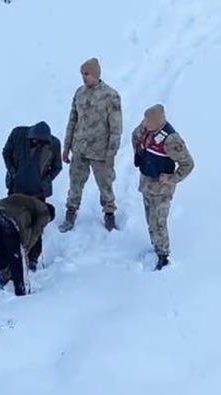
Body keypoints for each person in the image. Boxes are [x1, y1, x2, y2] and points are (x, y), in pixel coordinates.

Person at [60, 57, 123, 232]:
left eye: (87, 74)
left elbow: (116, 128)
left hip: (100, 151)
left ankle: (109, 214)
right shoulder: (79, 93)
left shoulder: (110, 95)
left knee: (105, 184)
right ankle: (70, 213)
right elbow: (72, 121)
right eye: (82, 74)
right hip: (79, 149)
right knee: (75, 183)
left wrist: (111, 153)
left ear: (96, 74)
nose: (83, 77)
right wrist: (66, 147)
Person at [131, 104, 195, 270]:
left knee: (158, 222)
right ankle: (155, 246)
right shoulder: (146, 128)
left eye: (148, 121)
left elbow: (187, 164)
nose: (144, 123)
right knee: (149, 219)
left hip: (161, 189)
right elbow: (135, 136)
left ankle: (163, 256)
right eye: (144, 120)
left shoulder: (172, 140)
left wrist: (172, 178)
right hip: (147, 183)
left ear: (158, 122)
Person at [2, 120, 62, 269]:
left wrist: (45, 181)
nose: (39, 144)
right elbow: (6, 153)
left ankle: (33, 256)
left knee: (36, 223)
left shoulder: (54, 143)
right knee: (14, 220)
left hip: (38, 192)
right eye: (36, 141)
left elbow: (57, 167)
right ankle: (11, 253)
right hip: (16, 188)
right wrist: (13, 172)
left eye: (43, 143)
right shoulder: (18, 134)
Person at [0, 194, 54, 296]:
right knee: (16, 258)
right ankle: (20, 291)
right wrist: (25, 248)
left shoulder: (27, 201)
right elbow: (35, 233)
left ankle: (4, 278)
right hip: (9, 219)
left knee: (1, 250)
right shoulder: (44, 211)